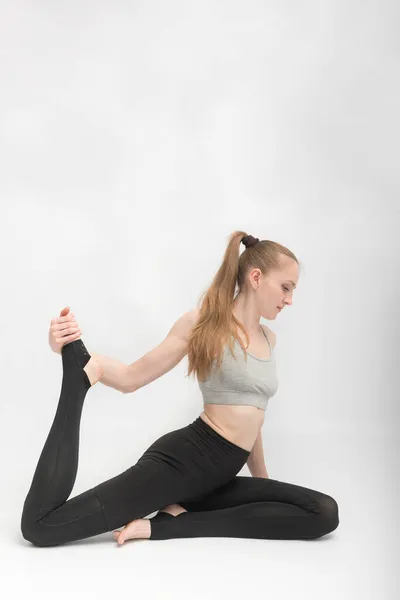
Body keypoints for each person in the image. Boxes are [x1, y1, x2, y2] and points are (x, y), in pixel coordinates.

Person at [20, 231, 339, 547]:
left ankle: (179, 518)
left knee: (323, 512)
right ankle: (77, 376)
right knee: (41, 526)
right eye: (286, 287)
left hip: (218, 480)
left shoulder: (269, 339)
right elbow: (133, 376)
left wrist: (264, 487)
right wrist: (87, 361)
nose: (289, 299)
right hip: (181, 465)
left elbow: (254, 419)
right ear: (256, 277)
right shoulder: (204, 322)